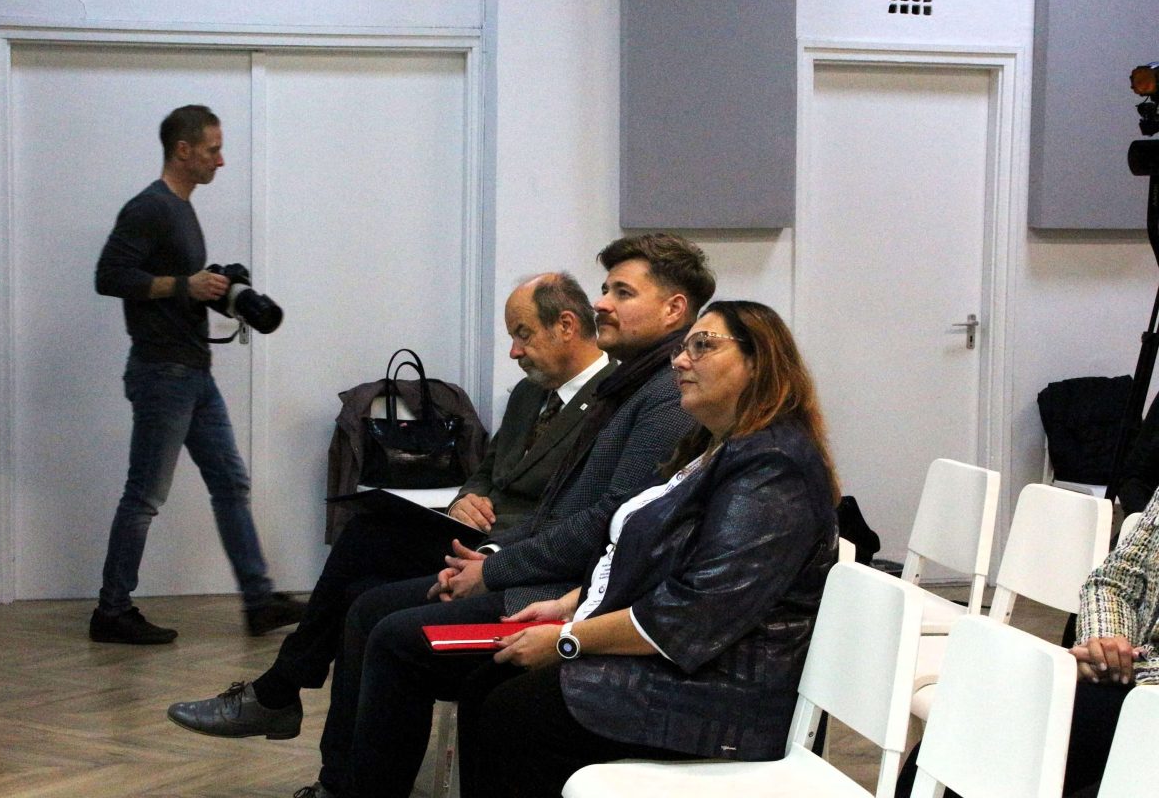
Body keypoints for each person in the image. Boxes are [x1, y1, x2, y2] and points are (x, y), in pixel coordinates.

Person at [173, 232, 712, 798]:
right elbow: (515, 482)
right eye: (605, 289)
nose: (602, 303)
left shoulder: (654, 396)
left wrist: (495, 566)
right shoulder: (625, 388)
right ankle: (334, 768)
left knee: (385, 622)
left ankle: (311, 732)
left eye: (621, 292)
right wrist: (472, 517)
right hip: (528, 558)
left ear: (673, 309)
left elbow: (609, 522)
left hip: (559, 586)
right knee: (366, 587)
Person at [167, 271, 612, 737]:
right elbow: (487, 469)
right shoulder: (529, 392)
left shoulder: (610, 401)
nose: (514, 352)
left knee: (364, 562)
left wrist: (493, 549)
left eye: (523, 335)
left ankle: (282, 696)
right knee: (362, 562)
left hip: (516, 552)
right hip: (475, 532)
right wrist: (466, 497)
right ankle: (314, 735)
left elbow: (581, 512)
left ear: (566, 325)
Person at [458, 301, 840, 798]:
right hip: (693, 662)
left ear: (758, 361)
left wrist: (568, 639)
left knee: (513, 712)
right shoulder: (716, 448)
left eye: (703, 346)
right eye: (683, 347)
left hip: (727, 695)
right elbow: (664, 557)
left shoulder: (773, 465)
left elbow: (694, 614)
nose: (680, 360)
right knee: (487, 684)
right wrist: (570, 604)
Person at [91, 105, 304, 644]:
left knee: (231, 483)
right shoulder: (150, 207)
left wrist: (211, 288)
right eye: (213, 149)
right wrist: (185, 285)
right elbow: (109, 276)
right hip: (162, 373)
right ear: (183, 150)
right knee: (145, 495)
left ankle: (258, 601)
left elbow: (171, 284)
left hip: (193, 373)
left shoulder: (182, 210)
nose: (221, 160)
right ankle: (111, 611)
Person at [895, 496, 1159, 798]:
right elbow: (1113, 582)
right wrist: (1107, 642)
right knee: (952, 747)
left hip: (1144, 690)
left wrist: (1134, 665)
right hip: (1125, 683)